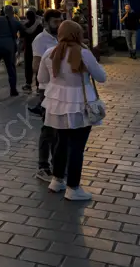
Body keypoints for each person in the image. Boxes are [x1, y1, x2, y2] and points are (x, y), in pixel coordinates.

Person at [38, 20, 106, 201]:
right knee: (77, 147)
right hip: (81, 105)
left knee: (60, 142)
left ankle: (57, 180)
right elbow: (101, 78)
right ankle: (73, 188)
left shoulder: (49, 53)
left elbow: (41, 79)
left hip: (56, 104)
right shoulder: (84, 53)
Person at [31, 10, 62, 180]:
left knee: (60, 130)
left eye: (60, 22)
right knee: (49, 128)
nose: (58, 25)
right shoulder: (40, 40)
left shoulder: (61, 38)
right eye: (55, 22)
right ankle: (43, 166)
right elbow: (36, 66)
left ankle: (58, 163)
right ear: (46, 23)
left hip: (60, 89)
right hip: (46, 89)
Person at [21, 8, 44, 93]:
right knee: (39, 66)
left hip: (28, 48)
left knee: (28, 66)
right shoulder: (40, 26)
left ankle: (28, 84)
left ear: (27, 17)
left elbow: (22, 37)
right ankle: (38, 85)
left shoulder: (26, 25)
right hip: (38, 48)